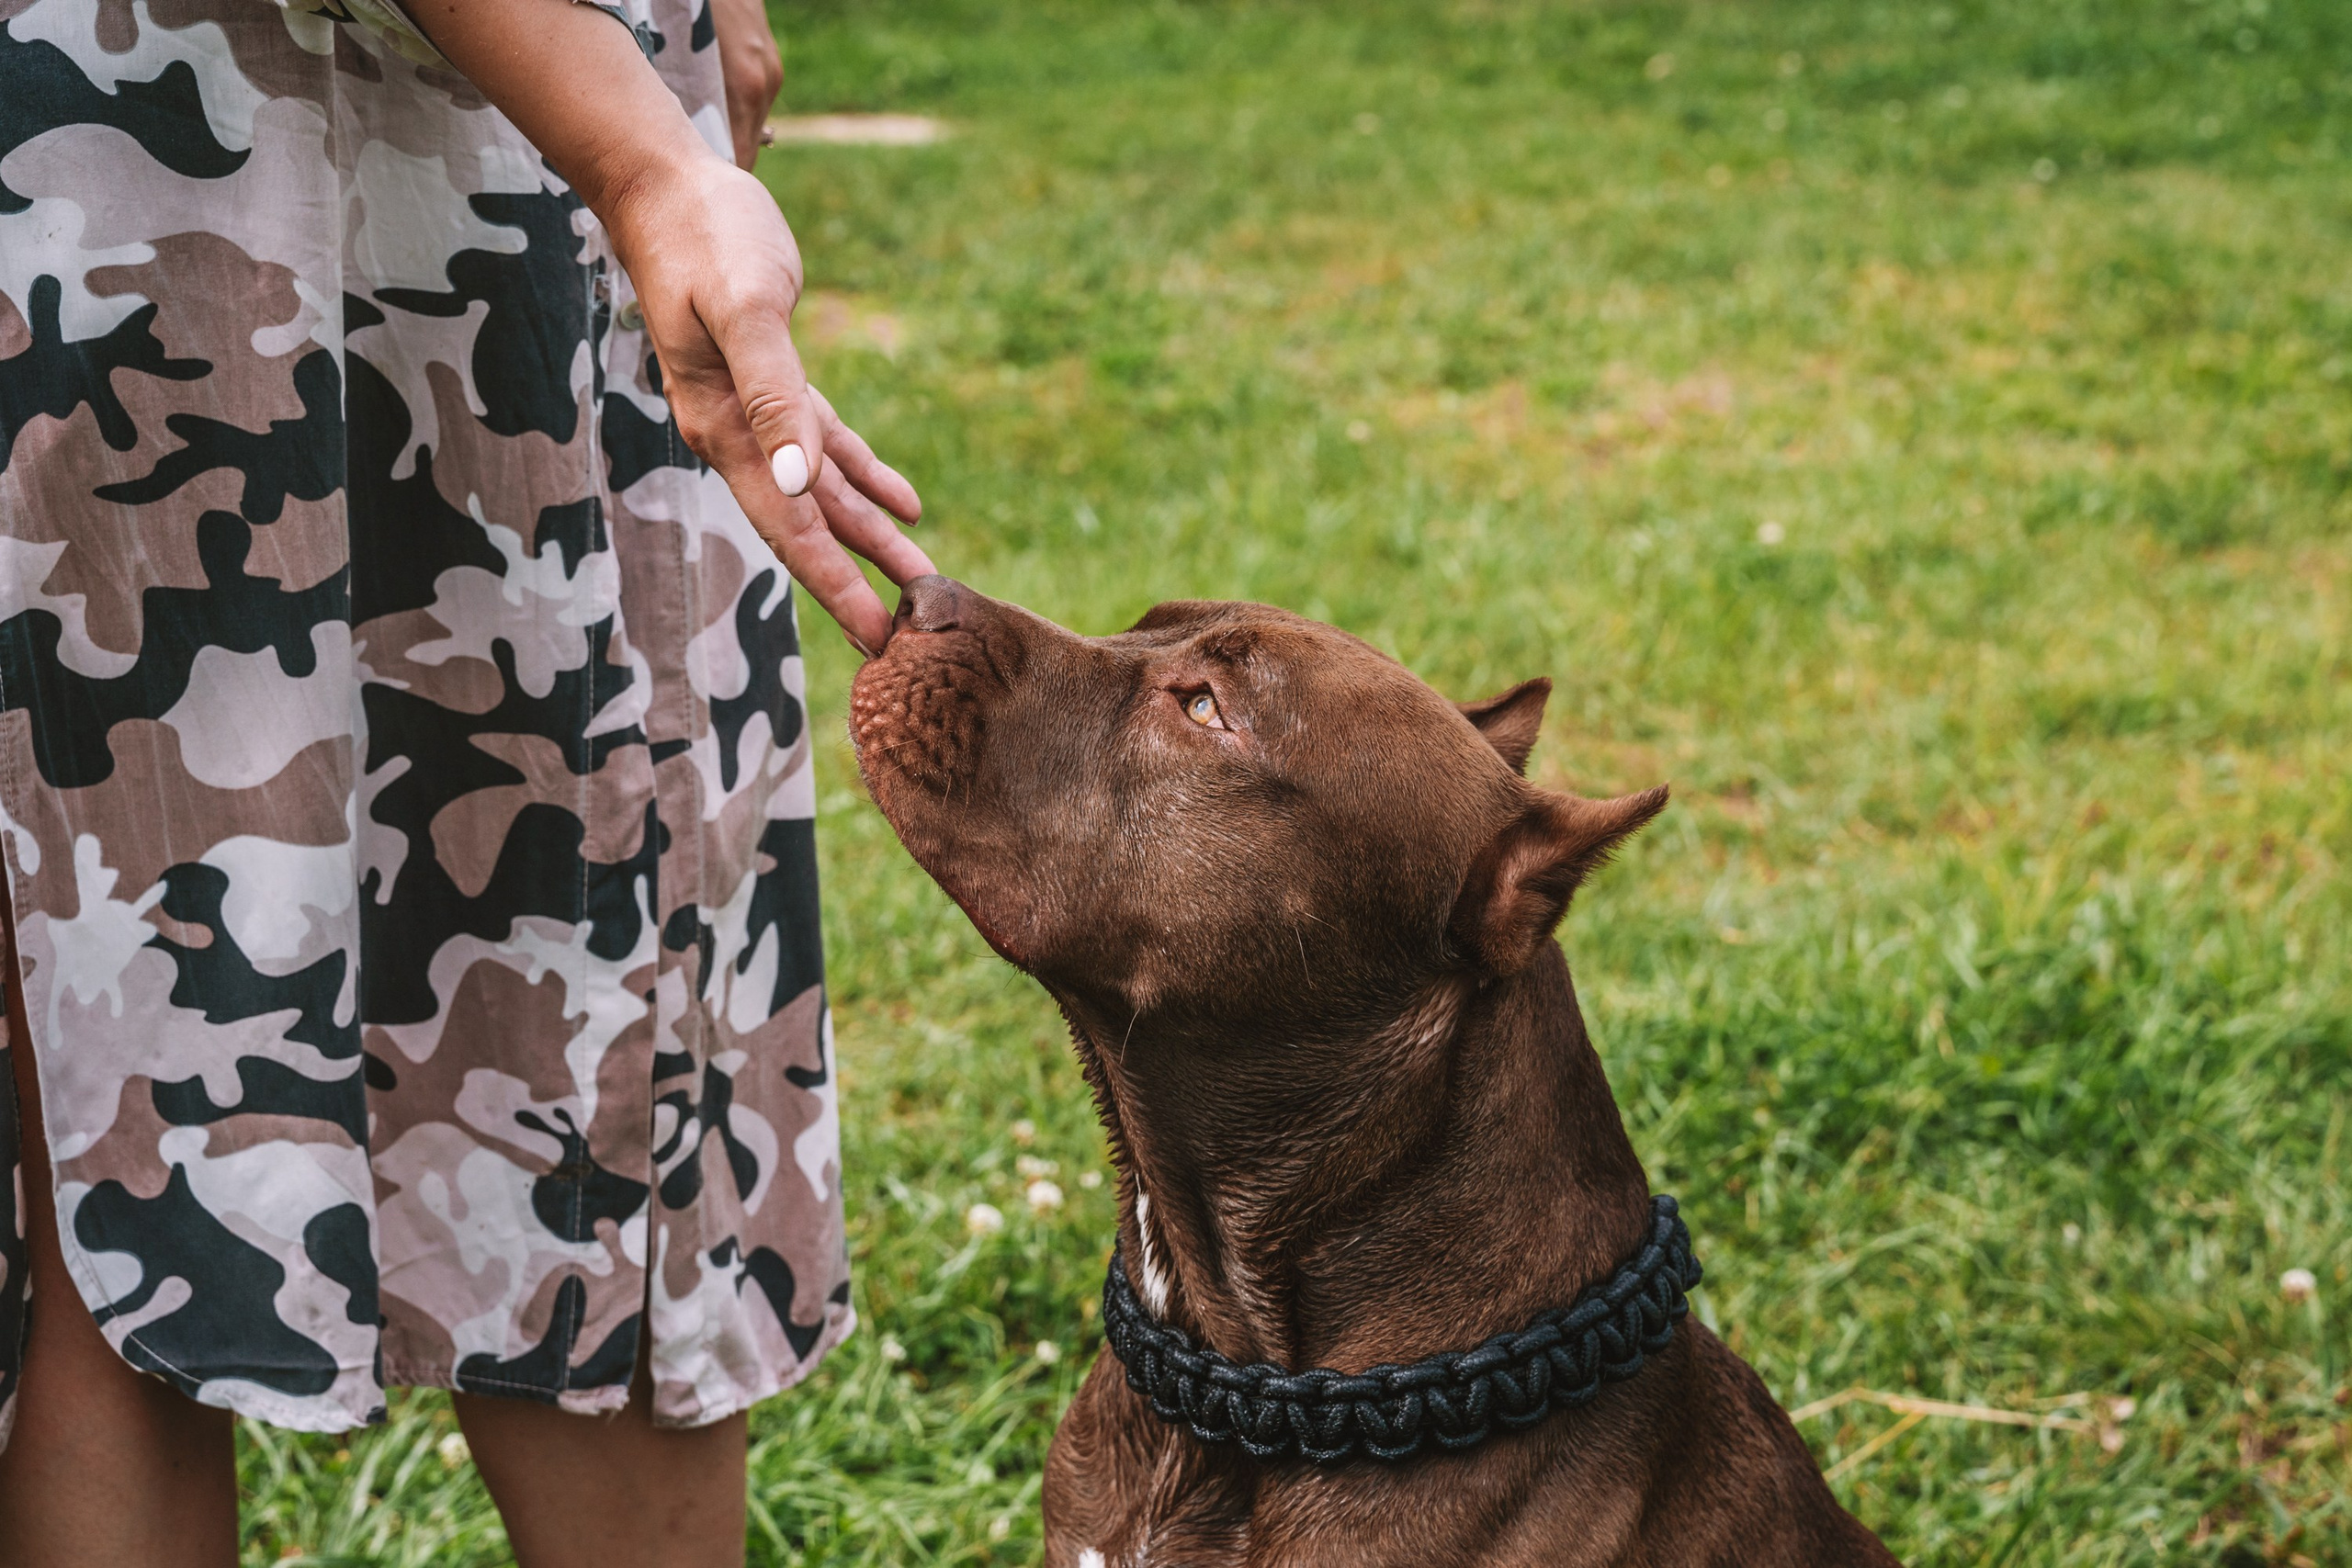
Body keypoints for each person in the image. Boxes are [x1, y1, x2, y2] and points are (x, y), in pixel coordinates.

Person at [0, 0, 933, 1562]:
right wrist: (639, 159)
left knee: (126, 1160)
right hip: (426, 178)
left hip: (118, 176)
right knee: (590, 1090)